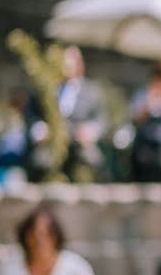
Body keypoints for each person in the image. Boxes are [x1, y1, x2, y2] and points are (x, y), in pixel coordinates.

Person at [24, 46, 108, 182]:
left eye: (70, 62)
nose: (66, 66)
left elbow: (102, 120)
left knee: (93, 169)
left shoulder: (92, 92)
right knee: (38, 166)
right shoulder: (47, 89)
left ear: (80, 65)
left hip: (81, 149)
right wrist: (39, 129)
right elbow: (32, 116)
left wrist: (91, 131)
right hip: (50, 148)